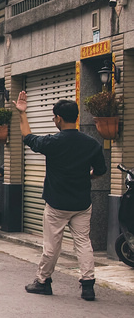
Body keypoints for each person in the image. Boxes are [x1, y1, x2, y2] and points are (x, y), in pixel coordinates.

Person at [14, 92, 107, 300]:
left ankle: (43, 281)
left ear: (58, 118)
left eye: (53, 117)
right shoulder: (91, 144)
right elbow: (101, 170)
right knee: (83, 242)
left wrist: (22, 114)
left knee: (52, 246)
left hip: (57, 203)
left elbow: (27, 137)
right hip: (82, 202)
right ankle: (88, 285)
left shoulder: (52, 142)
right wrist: (88, 176)